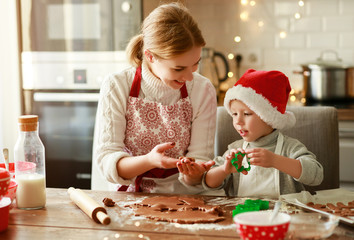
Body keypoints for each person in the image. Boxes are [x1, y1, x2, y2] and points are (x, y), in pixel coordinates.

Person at [92, 2, 216, 194]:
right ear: (150, 56)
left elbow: (199, 159)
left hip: (184, 197)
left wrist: (195, 172)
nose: (189, 77)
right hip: (130, 199)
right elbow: (108, 162)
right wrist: (149, 160)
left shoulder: (202, 89)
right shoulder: (117, 86)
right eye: (178, 68)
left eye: (195, 64)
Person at [179, 69, 324, 198]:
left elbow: (316, 176)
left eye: (247, 114)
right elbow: (208, 182)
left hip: (284, 217)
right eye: (234, 114)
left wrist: (275, 160)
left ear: (269, 117)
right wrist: (225, 170)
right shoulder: (234, 149)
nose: (238, 121)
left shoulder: (290, 148)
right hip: (244, 217)